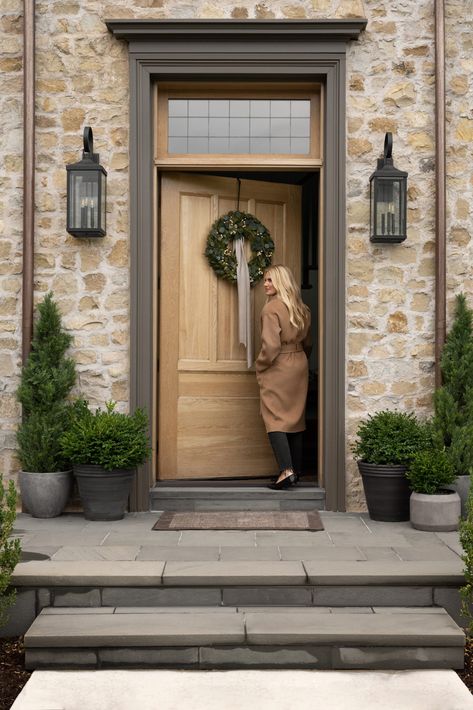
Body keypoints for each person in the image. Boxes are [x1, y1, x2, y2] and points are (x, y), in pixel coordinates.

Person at [255, 265, 311, 490]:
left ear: (281, 282)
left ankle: (286, 471)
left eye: (270, 280)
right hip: (299, 362)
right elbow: (309, 343)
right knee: (294, 418)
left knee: (274, 418)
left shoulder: (271, 309)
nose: (265, 284)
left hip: (279, 365)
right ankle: (295, 471)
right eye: (265, 280)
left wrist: (260, 365)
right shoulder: (301, 308)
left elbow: (271, 346)